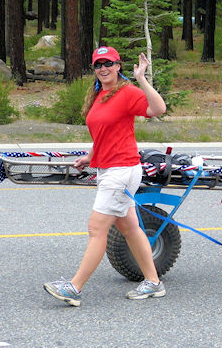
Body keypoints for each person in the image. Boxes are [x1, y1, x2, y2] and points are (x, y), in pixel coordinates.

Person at [43, 46, 167, 306]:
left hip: (121, 171)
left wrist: (142, 79)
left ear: (118, 65)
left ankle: (74, 287)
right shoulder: (100, 95)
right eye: (98, 64)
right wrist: (91, 155)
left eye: (108, 63)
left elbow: (158, 109)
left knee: (96, 229)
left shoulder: (127, 92)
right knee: (130, 228)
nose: (103, 68)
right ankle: (153, 283)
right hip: (109, 168)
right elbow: (104, 133)